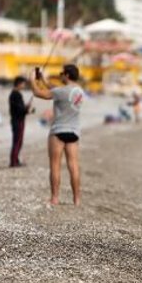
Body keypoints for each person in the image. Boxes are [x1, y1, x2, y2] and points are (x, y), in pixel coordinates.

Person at [30, 64, 84, 206]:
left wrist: (32, 79)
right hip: (74, 132)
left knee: (55, 166)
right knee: (73, 166)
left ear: (66, 75)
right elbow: (53, 87)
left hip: (58, 131)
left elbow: (38, 93)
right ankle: (77, 199)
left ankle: (55, 198)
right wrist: (42, 78)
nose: (60, 75)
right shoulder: (79, 91)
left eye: (62, 73)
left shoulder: (61, 92)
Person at [9, 76, 31, 167]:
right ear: (19, 83)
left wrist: (26, 109)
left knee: (18, 141)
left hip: (17, 120)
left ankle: (15, 160)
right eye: (23, 83)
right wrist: (27, 109)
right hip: (18, 121)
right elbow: (19, 110)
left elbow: (18, 108)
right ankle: (14, 162)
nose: (24, 85)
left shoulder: (14, 94)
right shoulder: (16, 94)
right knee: (17, 141)